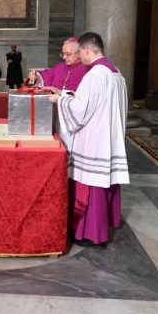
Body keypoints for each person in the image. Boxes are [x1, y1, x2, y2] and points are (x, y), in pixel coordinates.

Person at [48, 32, 128, 246]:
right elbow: (96, 104)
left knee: (90, 187)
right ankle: (104, 225)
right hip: (109, 138)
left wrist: (59, 100)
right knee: (104, 185)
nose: (80, 59)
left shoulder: (94, 75)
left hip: (94, 141)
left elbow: (80, 111)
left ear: (85, 50)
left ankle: (91, 234)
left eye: (79, 53)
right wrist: (66, 95)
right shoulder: (116, 73)